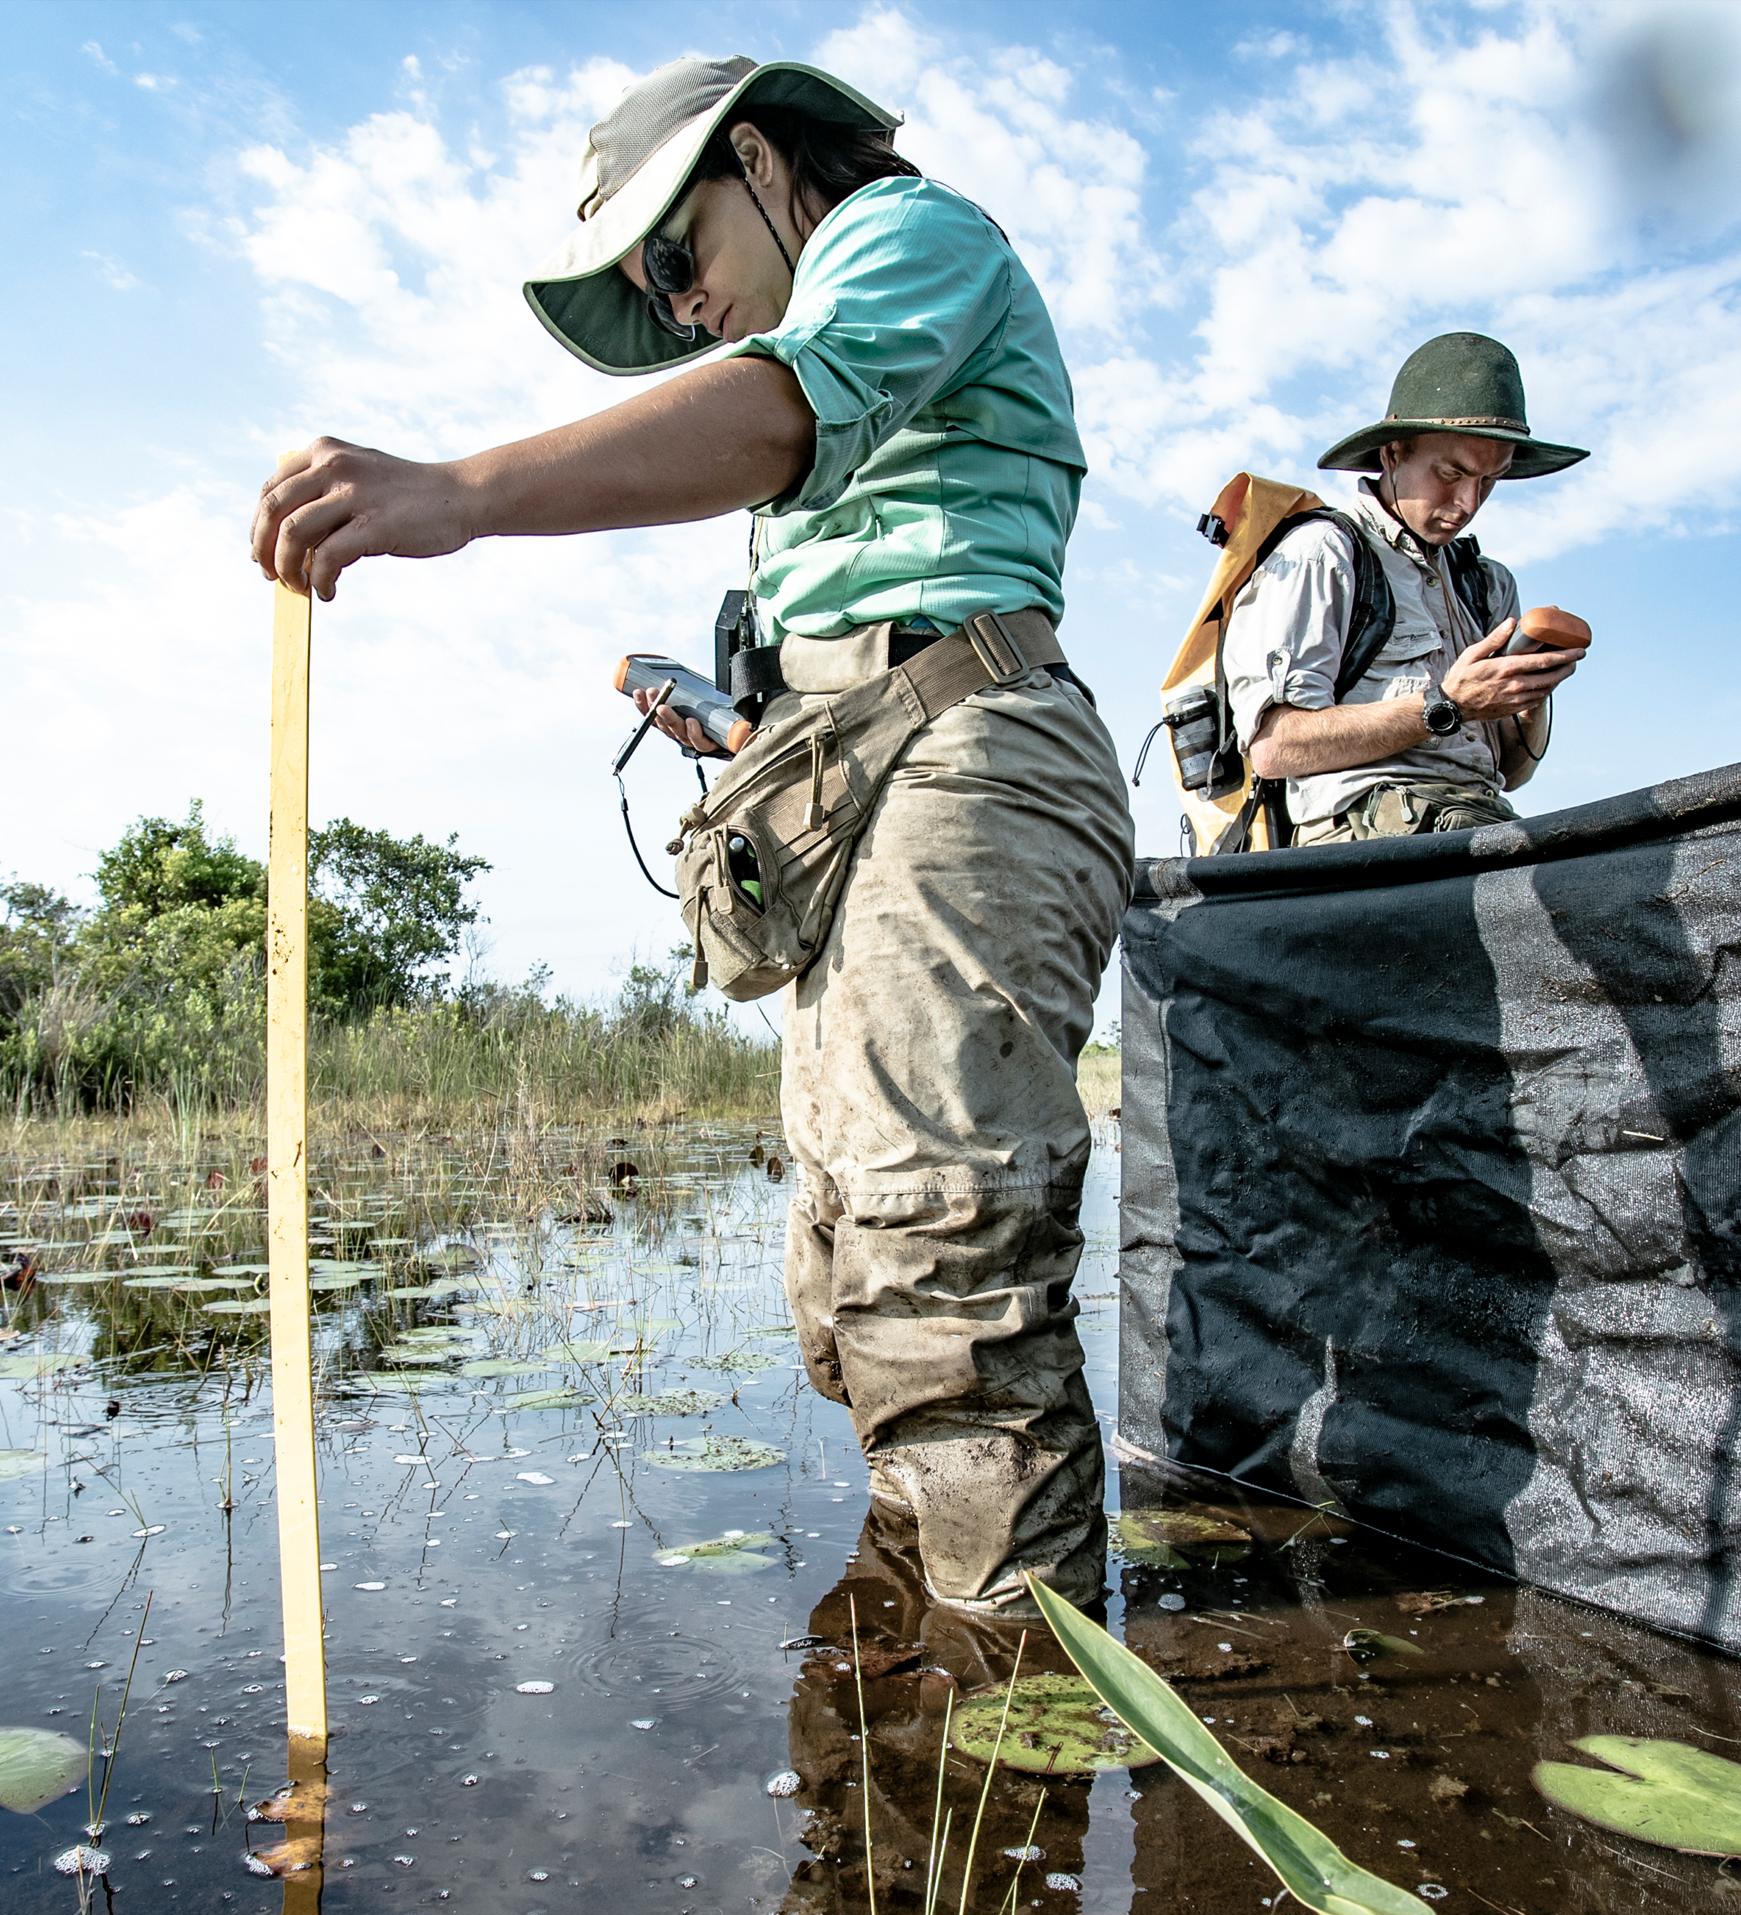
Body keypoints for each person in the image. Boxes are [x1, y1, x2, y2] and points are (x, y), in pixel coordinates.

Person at [250, 55, 1134, 1618]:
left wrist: (459, 491)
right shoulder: (816, 376)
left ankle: (1012, 1750)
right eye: (656, 297)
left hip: (964, 758)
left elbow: (778, 414)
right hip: (847, 770)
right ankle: (908, 1687)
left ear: (760, 159)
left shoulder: (906, 235)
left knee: (940, 1268)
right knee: (842, 1281)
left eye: (678, 258)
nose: (679, 308)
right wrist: (748, 731)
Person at [1222, 331, 1590, 842]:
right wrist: (1448, 706)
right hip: (1365, 849)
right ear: (1394, 454)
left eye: (1490, 480)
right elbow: (1275, 748)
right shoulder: (1325, 554)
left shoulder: (1487, 584)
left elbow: (1514, 773)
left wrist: (1528, 696)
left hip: (1481, 824)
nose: (1467, 502)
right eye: (1451, 473)